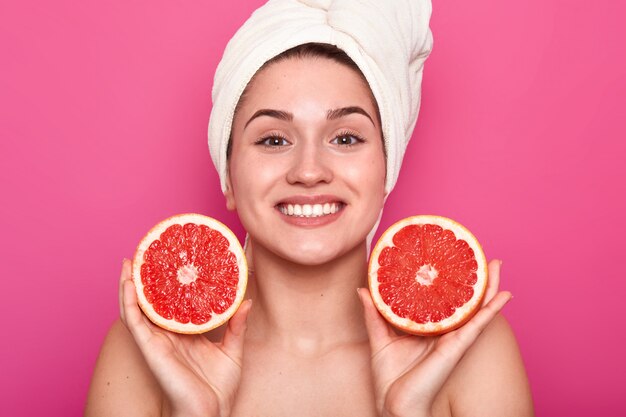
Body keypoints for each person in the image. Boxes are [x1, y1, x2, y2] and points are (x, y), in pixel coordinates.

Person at [86, 1, 534, 416]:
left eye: (346, 138)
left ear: (385, 169)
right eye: (274, 140)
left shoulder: (468, 350)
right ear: (228, 177)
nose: (309, 170)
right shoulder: (148, 349)